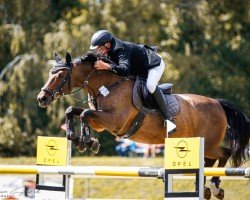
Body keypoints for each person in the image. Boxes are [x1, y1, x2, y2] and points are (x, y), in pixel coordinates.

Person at [89, 30, 171, 121]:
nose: (98, 52)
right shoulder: (108, 51)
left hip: (152, 64)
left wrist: (106, 66)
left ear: (107, 45)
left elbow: (124, 70)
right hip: (138, 68)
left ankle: (168, 118)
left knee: (150, 85)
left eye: (99, 49)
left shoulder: (121, 48)